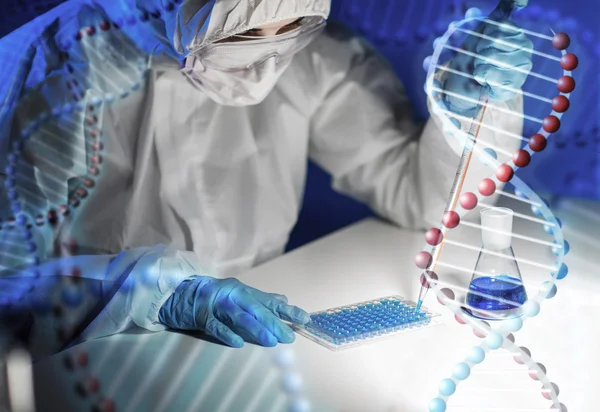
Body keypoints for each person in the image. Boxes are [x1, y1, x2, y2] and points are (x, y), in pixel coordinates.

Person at [0, 0, 532, 354]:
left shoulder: (310, 56)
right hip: (94, 348)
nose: (264, 62)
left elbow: (421, 201)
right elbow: (8, 287)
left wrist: (468, 113)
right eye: (246, 32)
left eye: (292, 27)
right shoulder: (57, 72)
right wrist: (146, 292)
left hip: (260, 336)